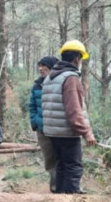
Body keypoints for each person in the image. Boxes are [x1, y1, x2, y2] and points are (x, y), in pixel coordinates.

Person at [42, 40, 97, 194]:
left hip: (53, 132)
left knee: (61, 166)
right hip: (67, 133)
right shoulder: (70, 78)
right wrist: (86, 132)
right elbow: (74, 110)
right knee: (73, 168)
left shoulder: (50, 77)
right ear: (77, 59)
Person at [29, 56, 59, 192]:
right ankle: (54, 188)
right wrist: (34, 122)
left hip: (59, 129)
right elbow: (32, 106)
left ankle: (66, 188)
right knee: (50, 161)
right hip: (42, 129)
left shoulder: (59, 82)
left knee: (64, 159)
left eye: (43, 65)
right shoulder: (36, 85)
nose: (40, 68)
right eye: (39, 65)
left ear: (52, 67)